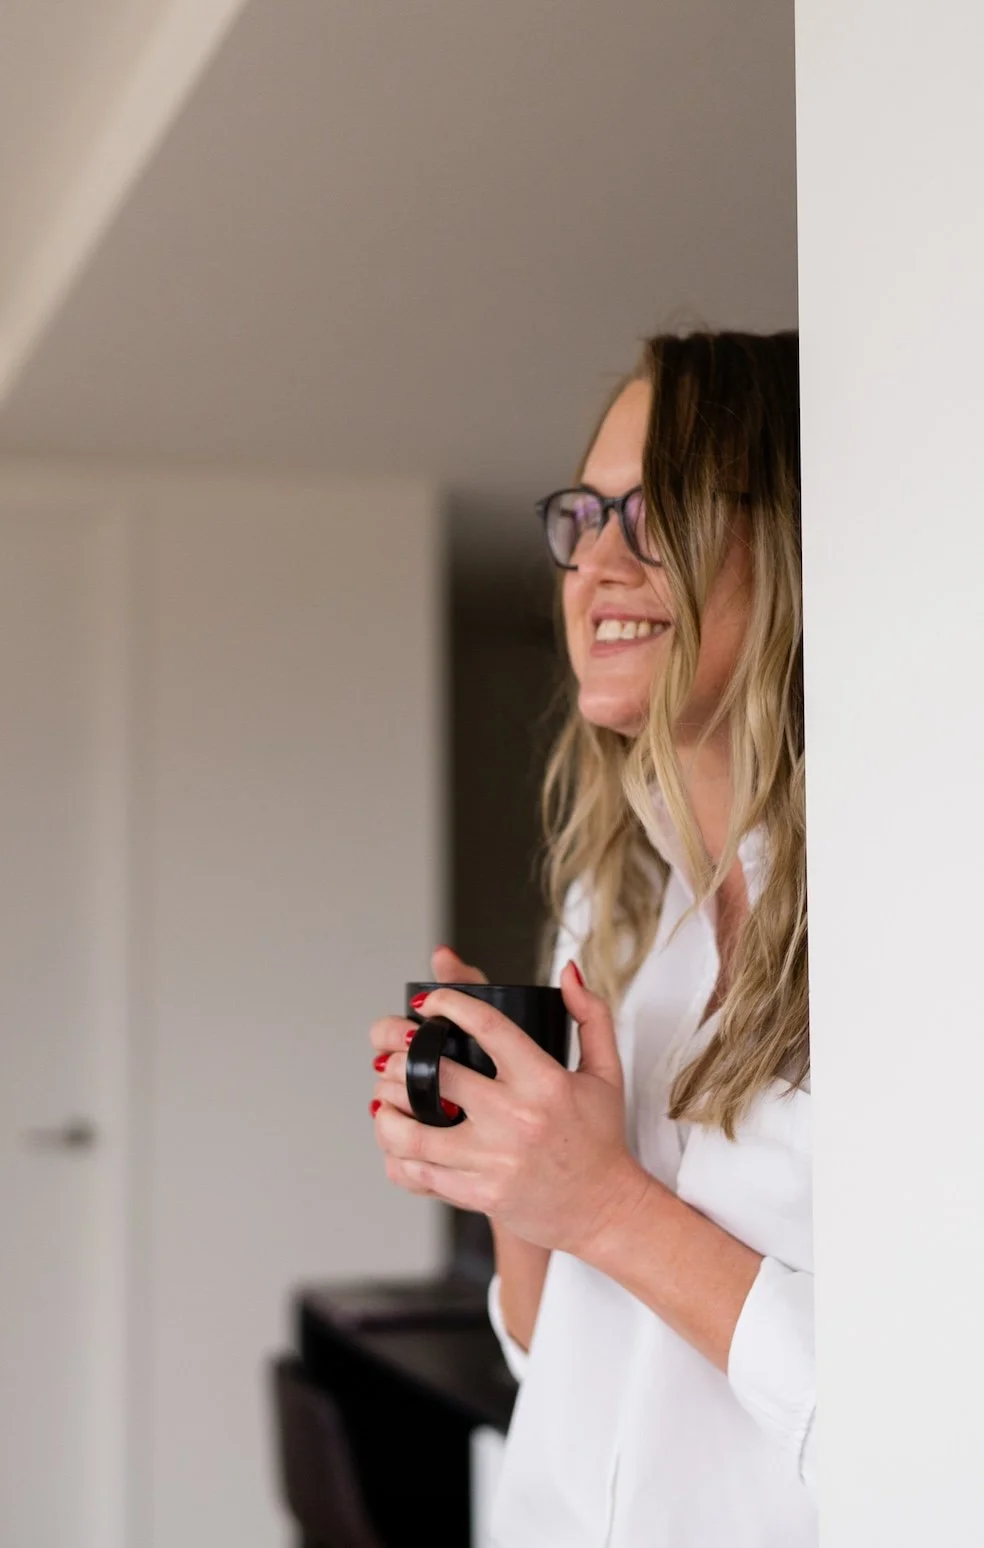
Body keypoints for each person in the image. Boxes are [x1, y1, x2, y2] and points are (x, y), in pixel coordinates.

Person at [369, 329, 814, 1547]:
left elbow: (919, 1423)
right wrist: (507, 1165)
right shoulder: (610, 907)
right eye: (585, 514)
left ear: (782, 537)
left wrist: (605, 1203)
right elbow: (548, 1351)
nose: (598, 562)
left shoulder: (901, 926)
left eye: (657, 510)